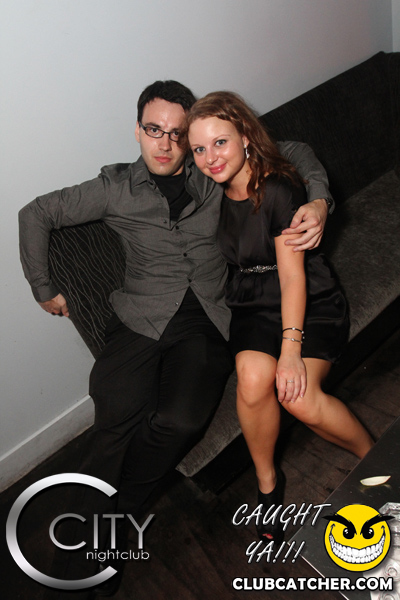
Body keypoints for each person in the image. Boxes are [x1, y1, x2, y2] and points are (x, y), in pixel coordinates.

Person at [19, 80, 333, 598]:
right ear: (137, 131)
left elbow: (294, 150)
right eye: (154, 130)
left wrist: (319, 201)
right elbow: (36, 212)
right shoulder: (114, 187)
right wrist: (42, 287)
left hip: (207, 321)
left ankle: (116, 520)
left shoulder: (212, 170)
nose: (165, 144)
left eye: (177, 133)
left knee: (180, 420)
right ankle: (73, 565)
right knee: (115, 418)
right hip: (139, 316)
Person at [184, 91, 374, 546]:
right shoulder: (209, 189)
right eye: (200, 149)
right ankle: (268, 486)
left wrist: (291, 351)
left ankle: (376, 458)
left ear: (245, 137)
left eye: (220, 142)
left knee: (299, 397)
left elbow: (292, 279)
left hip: (308, 295)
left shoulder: (278, 189)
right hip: (251, 300)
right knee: (251, 379)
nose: (210, 158)